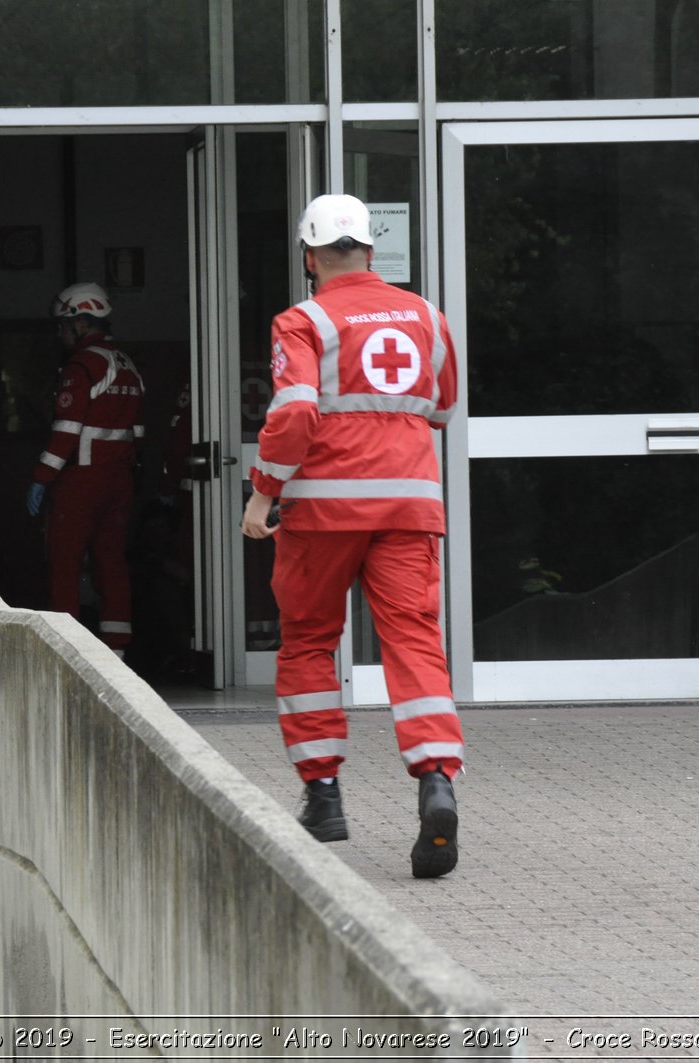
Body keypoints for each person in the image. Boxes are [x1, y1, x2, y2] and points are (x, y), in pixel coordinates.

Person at [240, 194, 464, 879]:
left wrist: (263, 492)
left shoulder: (301, 320)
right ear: (371, 249)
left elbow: (297, 411)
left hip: (323, 514)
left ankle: (324, 794)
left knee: (309, 640)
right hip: (407, 505)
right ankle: (435, 780)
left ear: (310, 257)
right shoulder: (428, 317)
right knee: (414, 642)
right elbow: (443, 406)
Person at [28, 282, 146, 656]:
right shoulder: (128, 366)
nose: (60, 333)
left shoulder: (82, 365)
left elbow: (66, 429)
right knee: (111, 562)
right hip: (120, 480)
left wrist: (41, 478)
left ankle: (69, 652)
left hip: (81, 481)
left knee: (64, 562)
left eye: (63, 325)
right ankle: (117, 650)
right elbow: (138, 431)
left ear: (80, 323)